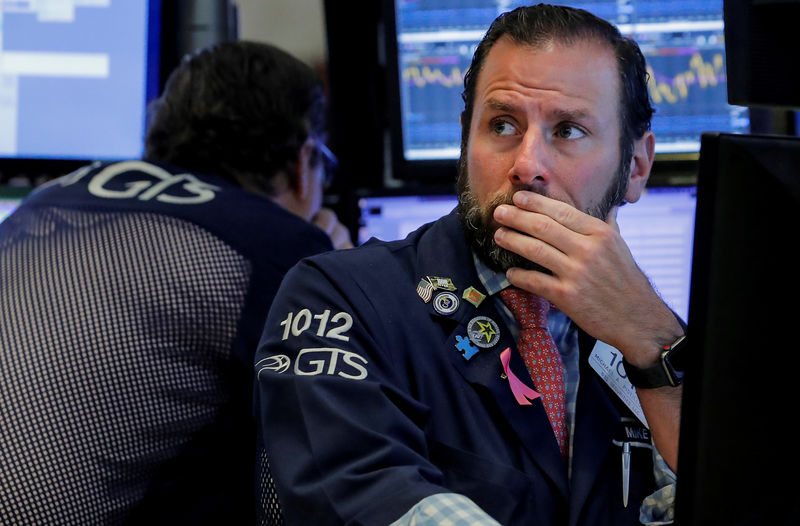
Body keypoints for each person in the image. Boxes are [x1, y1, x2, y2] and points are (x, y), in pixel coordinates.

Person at [254, 4, 686, 526]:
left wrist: (651, 343)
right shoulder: (339, 299)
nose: (527, 164)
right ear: (465, 138)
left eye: (568, 131)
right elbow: (368, 495)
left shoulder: (650, 341)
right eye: (502, 124)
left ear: (636, 167)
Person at [0, 40, 351, 524]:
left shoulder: (45, 201)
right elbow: (355, 418)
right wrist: (343, 273)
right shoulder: (280, 247)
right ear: (301, 163)